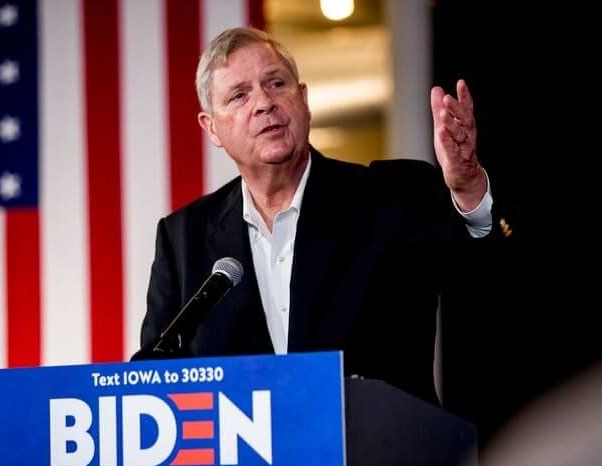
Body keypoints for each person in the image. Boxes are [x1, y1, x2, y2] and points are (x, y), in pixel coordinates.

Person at [137, 27, 504, 405]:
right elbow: (154, 384)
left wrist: (468, 188)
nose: (264, 103)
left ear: (304, 98)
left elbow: (487, 285)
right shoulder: (184, 237)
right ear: (211, 127)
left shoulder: (391, 197)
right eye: (239, 95)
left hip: (387, 455)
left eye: (276, 83)